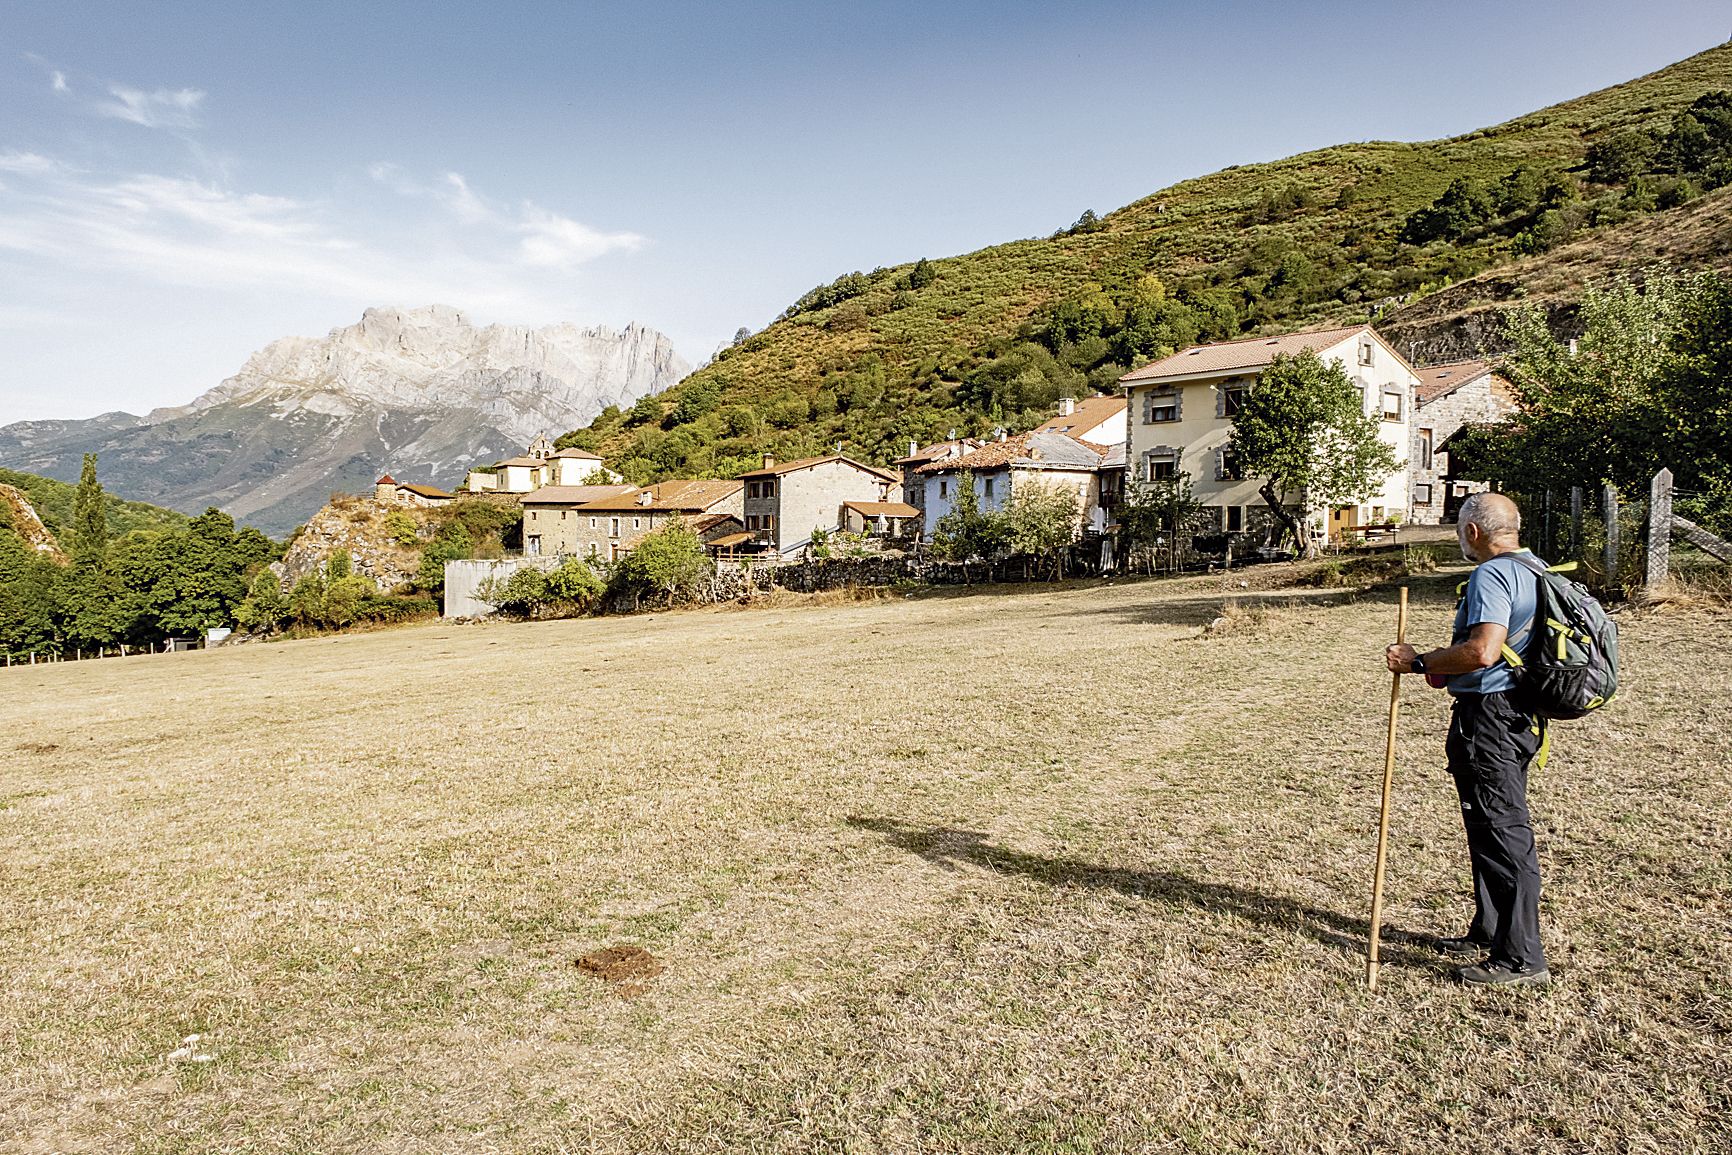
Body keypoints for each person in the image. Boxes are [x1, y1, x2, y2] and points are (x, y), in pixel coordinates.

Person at [1384, 492, 1552, 988]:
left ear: (1474, 533)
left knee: (1503, 829)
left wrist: (1418, 663)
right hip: (1515, 716)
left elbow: (1482, 652)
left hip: (1492, 721)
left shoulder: (1493, 574)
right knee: (1488, 823)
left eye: (1461, 529)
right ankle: (1490, 929)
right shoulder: (1536, 568)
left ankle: (1521, 956)